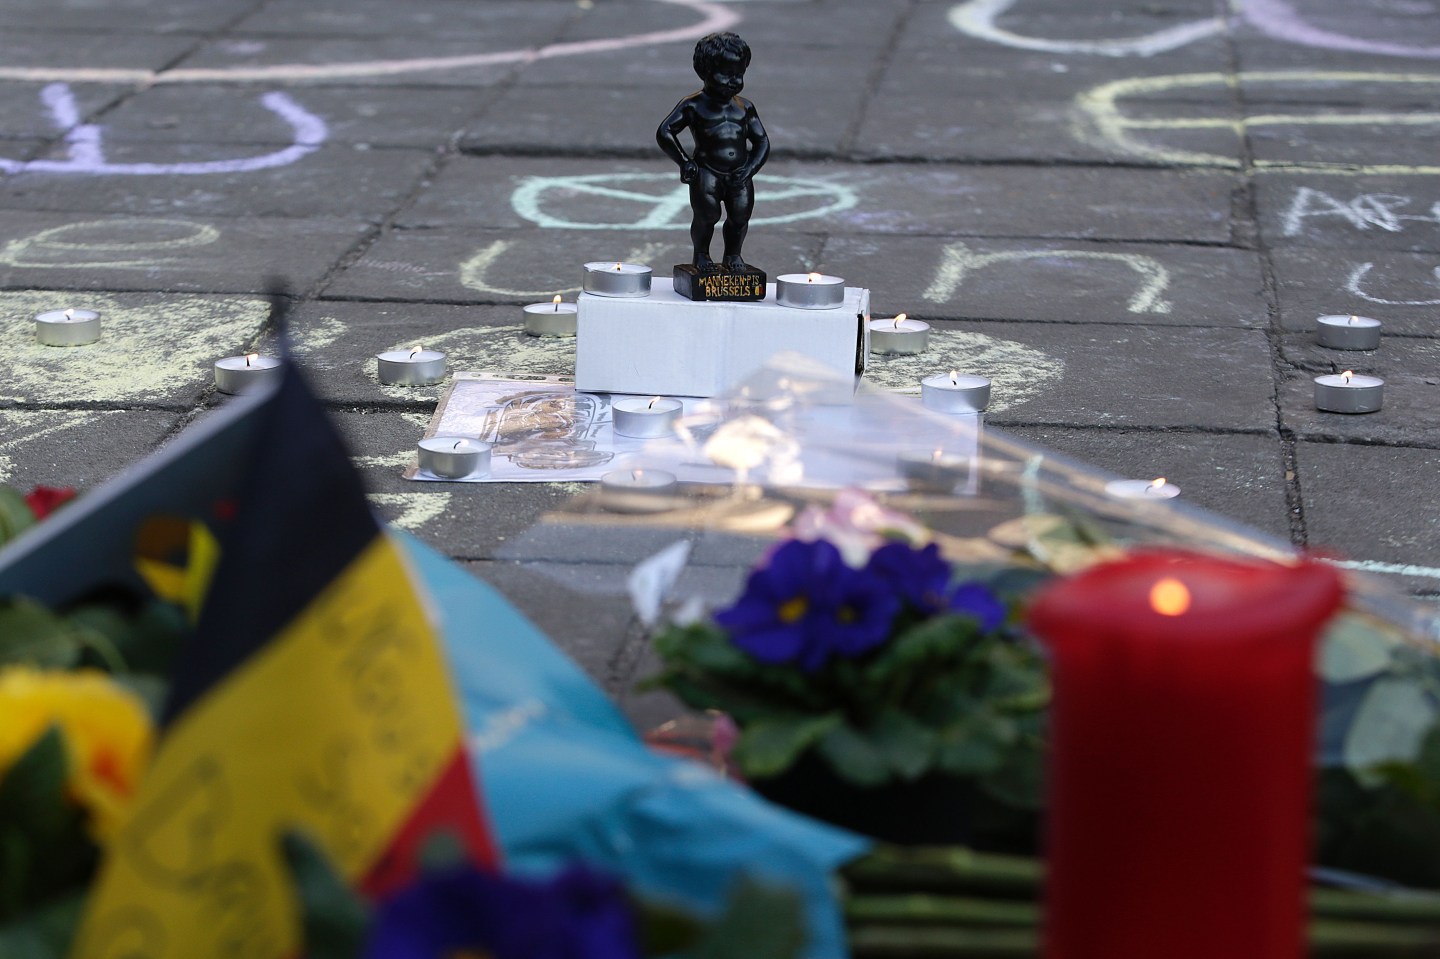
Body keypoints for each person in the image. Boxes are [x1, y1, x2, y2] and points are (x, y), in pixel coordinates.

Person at [656, 32, 770, 273]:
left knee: (740, 217)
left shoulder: (745, 107)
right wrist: (684, 161)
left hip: (739, 173)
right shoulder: (693, 105)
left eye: (738, 74)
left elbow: (761, 142)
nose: (733, 81)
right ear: (705, 72)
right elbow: (665, 132)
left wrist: (750, 169)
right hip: (707, 171)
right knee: (707, 216)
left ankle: (733, 254)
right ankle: (701, 254)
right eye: (726, 74)